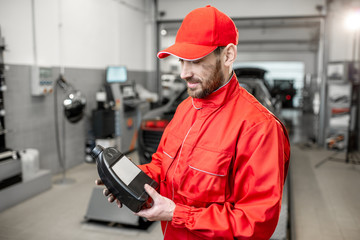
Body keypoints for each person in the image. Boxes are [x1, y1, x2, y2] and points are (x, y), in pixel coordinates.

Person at [96, 5, 290, 240]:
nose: (183, 73)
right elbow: (162, 166)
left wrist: (177, 213)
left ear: (228, 55)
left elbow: (255, 222)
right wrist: (130, 179)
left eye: (195, 60)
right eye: (181, 61)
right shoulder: (186, 108)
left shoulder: (259, 128)